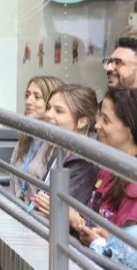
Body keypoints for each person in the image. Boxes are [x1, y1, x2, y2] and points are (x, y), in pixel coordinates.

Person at [74, 88, 137, 240]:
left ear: (130, 128)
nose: (97, 125)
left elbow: (128, 251)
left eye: (106, 120)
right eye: (99, 118)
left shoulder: (133, 182)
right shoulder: (107, 170)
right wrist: (77, 222)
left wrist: (101, 240)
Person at [29, 84, 100, 216]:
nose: (48, 114)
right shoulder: (60, 148)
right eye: (49, 108)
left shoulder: (85, 163)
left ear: (82, 122)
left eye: (59, 111)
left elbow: (59, 210)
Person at [7, 76, 63, 202]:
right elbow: (12, 181)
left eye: (37, 97)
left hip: (36, 217)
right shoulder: (25, 138)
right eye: (27, 95)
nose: (28, 101)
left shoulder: (56, 147)